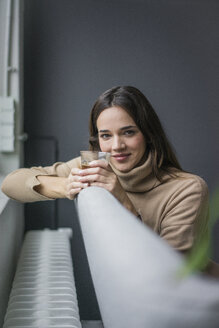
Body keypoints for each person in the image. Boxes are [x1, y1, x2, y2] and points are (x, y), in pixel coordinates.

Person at [1, 86, 210, 256]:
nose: (117, 146)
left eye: (128, 132)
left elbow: (171, 274)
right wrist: (66, 186)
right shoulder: (95, 166)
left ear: (148, 134)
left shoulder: (187, 189)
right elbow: (10, 183)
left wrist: (124, 203)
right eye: (106, 136)